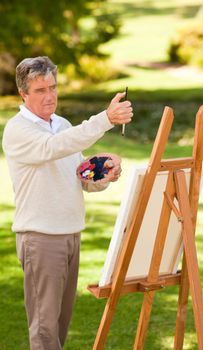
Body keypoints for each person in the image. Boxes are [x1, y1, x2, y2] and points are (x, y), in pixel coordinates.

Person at [2, 56, 133, 350]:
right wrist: (106, 119)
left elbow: (80, 177)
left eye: (53, 87)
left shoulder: (62, 125)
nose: (49, 96)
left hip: (71, 233)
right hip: (41, 238)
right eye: (40, 90)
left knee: (60, 325)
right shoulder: (18, 130)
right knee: (45, 329)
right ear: (23, 93)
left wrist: (105, 174)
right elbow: (52, 148)